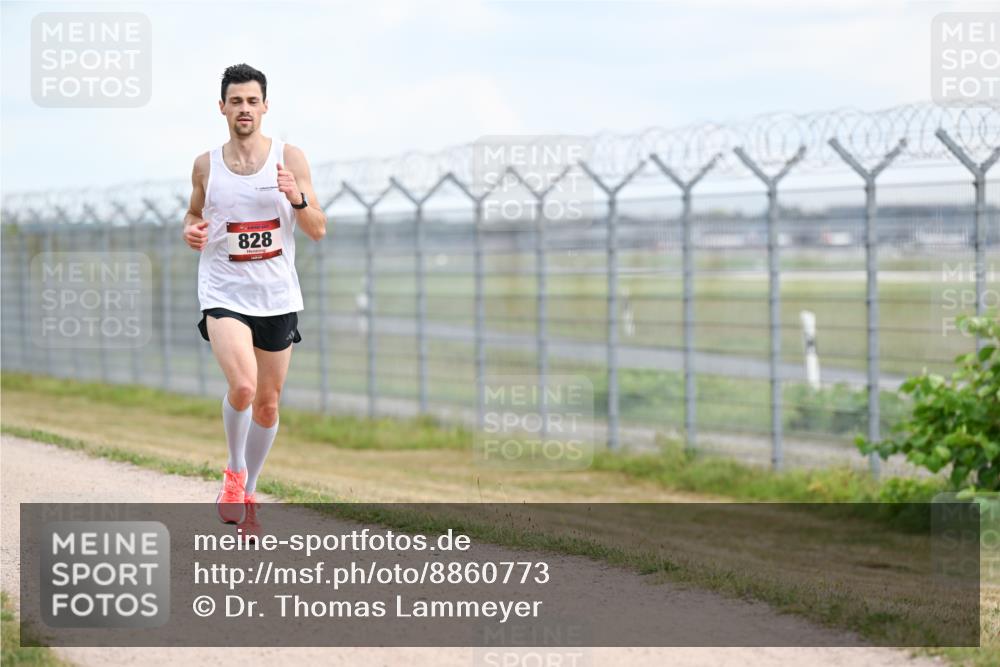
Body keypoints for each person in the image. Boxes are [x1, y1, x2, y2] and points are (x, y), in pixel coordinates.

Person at [182, 63, 326, 538]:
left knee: (267, 404)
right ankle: (233, 472)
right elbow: (193, 211)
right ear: (222, 107)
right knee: (242, 386)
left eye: (252, 101)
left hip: (277, 295)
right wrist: (190, 228)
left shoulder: (289, 158)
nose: (244, 109)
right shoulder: (206, 164)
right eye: (236, 101)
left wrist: (297, 198)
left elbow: (317, 230)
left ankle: (250, 491)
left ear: (265, 107)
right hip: (224, 289)